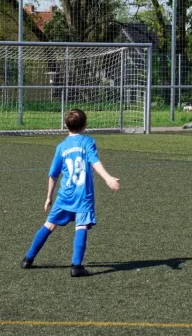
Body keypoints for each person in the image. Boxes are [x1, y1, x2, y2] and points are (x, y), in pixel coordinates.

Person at [21, 109, 120, 277]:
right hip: (83, 195)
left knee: (49, 225)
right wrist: (108, 178)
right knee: (81, 226)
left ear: (66, 126)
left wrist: (48, 197)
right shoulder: (88, 142)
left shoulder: (61, 147)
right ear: (85, 125)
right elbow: (94, 161)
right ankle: (76, 266)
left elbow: (53, 174)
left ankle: (28, 259)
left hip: (65, 194)